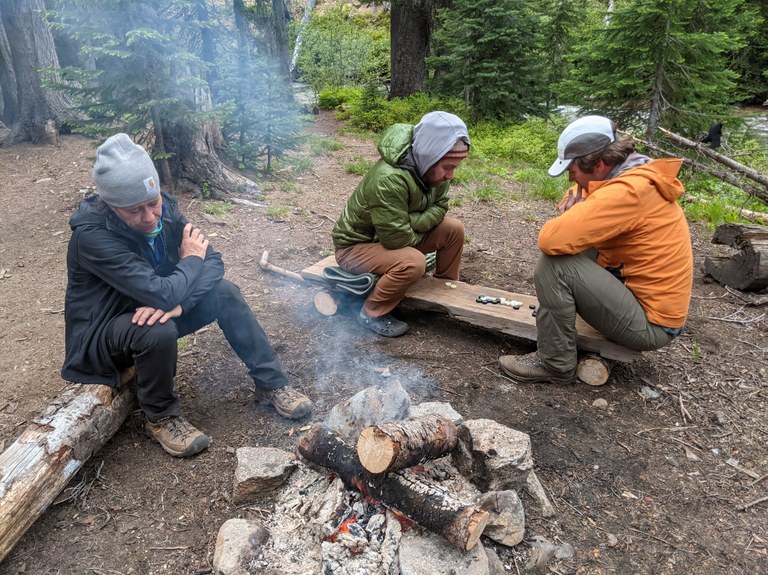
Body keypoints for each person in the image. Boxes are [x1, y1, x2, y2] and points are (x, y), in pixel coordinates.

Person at [62, 133, 313, 458]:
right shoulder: (93, 238)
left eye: (153, 203)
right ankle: (161, 416)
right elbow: (188, 269)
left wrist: (179, 304)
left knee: (225, 293)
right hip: (106, 334)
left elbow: (214, 263)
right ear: (112, 205)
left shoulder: (166, 210)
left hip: (161, 308)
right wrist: (190, 260)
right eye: (135, 211)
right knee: (155, 328)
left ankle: (271, 384)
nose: (150, 217)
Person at [499, 115, 693, 383]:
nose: (570, 176)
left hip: (652, 326)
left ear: (599, 164)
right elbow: (578, 195)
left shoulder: (627, 192)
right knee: (576, 245)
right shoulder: (631, 177)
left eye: (573, 170)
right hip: (650, 309)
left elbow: (549, 239)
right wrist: (577, 203)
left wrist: (571, 213)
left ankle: (555, 364)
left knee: (555, 264)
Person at [331, 111, 470, 337]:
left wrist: (411, 220)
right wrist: (412, 225)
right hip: (355, 248)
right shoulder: (389, 179)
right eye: (448, 167)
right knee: (413, 261)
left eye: (455, 167)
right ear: (430, 155)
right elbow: (398, 239)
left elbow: (441, 207)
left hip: (394, 236)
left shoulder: (432, 170)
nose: (450, 176)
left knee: (453, 229)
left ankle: (444, 288)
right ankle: (371, 312)